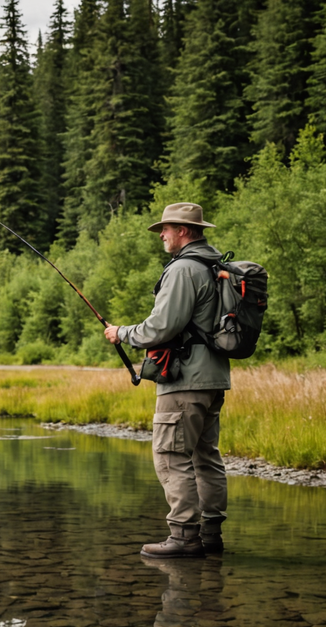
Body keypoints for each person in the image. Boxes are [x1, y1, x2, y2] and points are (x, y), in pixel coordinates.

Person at [102, 203, 230, 558]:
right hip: (213, 378)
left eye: (166, 228)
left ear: (184, 231)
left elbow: (162, 327)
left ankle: (184, 537)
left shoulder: (184, 270)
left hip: (185, 380)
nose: (161, 234)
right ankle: (211, 534)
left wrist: (122, 332)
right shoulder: (214, 265)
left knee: (171, 456)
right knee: (206, 456)